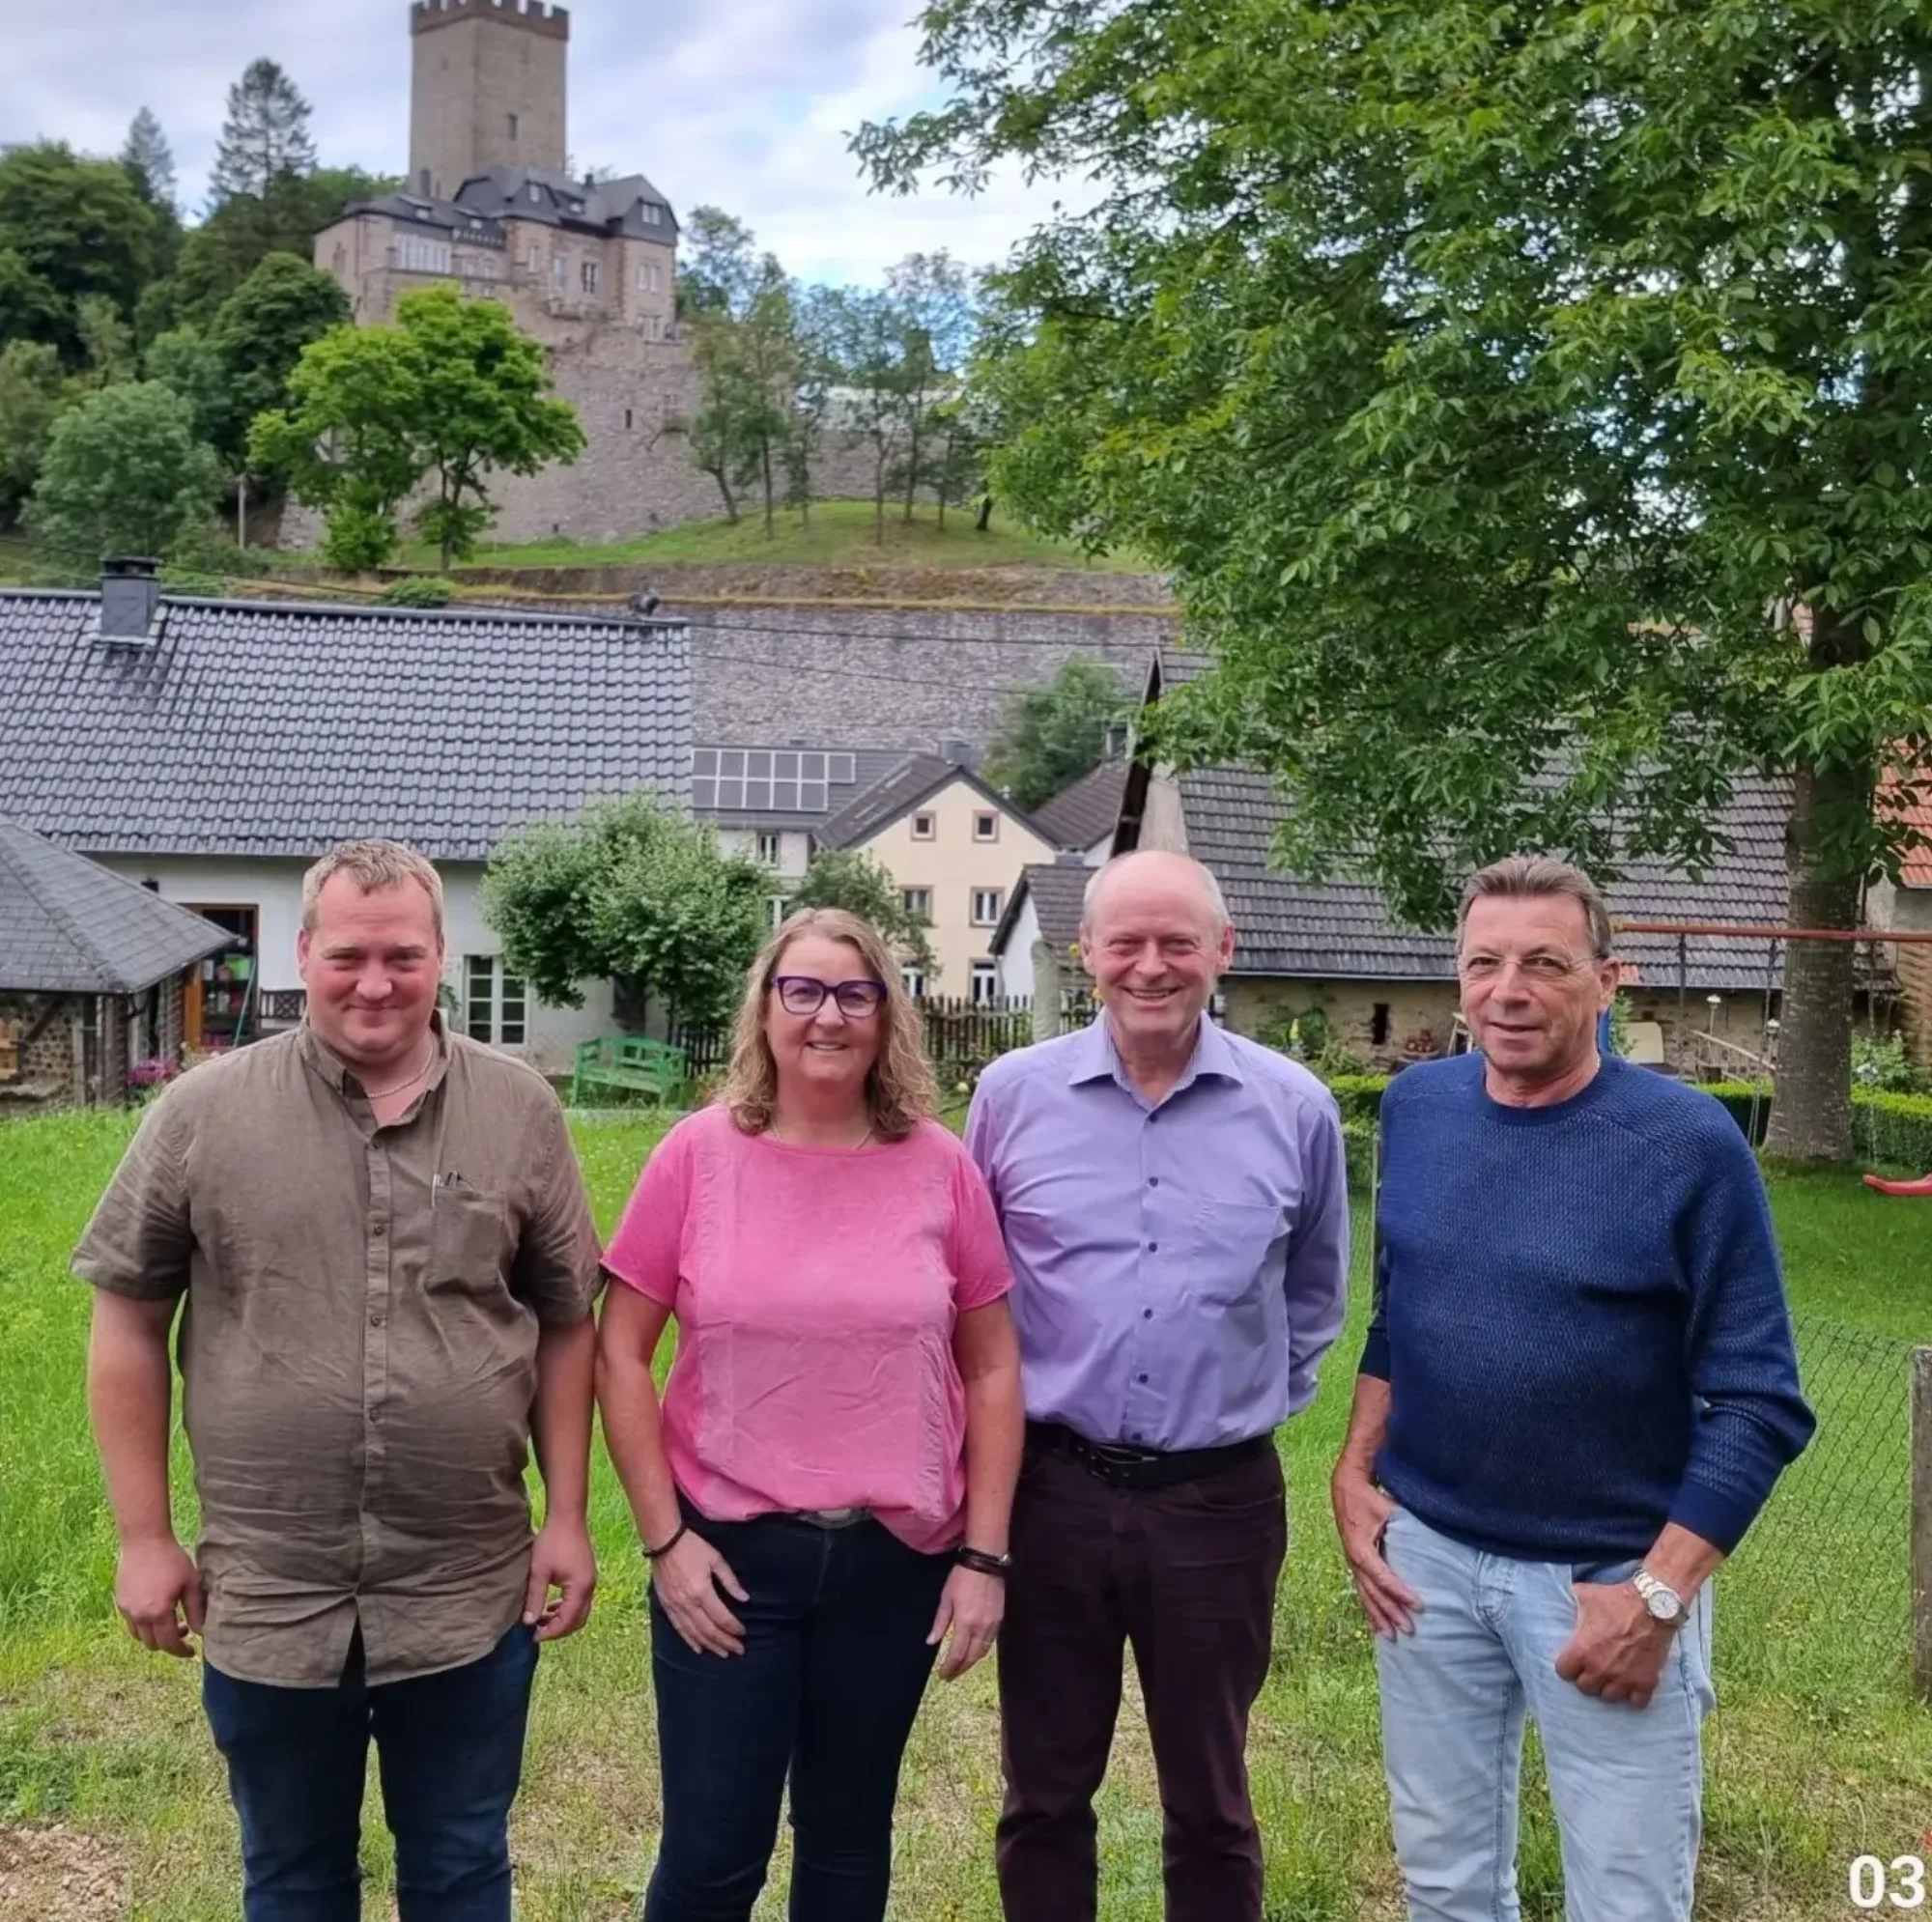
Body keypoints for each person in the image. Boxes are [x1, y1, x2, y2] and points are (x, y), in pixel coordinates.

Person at [75, 840, 601, 1922]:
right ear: (303, 951)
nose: (376, 982)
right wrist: (143, 1536)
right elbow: (127, 1318)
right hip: (272, 1590)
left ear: (439, 956)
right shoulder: (202, 1112)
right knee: (292, 1873)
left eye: (402, 955)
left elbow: (563, 1321)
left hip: (464, 1589)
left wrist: (570, 1516)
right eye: (349, 955)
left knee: (458, 1865)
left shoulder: (519, 1113)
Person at [1332, 854, 1816, 1922]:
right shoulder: (1416, 1108)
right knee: (1445, 1883)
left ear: (1610, 979)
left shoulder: (1686, 1144)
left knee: (1627, 1898)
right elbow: (1396, 1312)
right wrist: (1353, 1466)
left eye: (1545, 963)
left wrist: (1655, 1597)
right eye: (1483, 963)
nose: (1508, 991)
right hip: (1426, 1572)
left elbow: (1758, 1402)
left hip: (1605, 1583)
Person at [597, 907, 1025, 1922]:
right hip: (730, 1561)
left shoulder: (938, 1165)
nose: (826, 1015)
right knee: (711, 1850)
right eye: (802, 990)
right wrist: (663, 1540)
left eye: (853, 992)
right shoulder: (697, 1154)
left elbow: (995, 1366)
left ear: (885, 1015)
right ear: (765, 1007)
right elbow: (617, 1351)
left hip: (895, 1562)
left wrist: (983, 1560)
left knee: (845, 1842)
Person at [964, 849, 1350, 1922]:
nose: (1150, 965)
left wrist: (1232, 1404)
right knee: (1042, 1790)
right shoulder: (1008, 1099)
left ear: (1221, 951)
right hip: (1051, 1491)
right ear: (1083, 952)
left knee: (1211, 1799)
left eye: (1177, 942)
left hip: (1216, 1501)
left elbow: (1314, 1294)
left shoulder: (1294, 1108)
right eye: (1124, 942)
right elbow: (971, 1294)